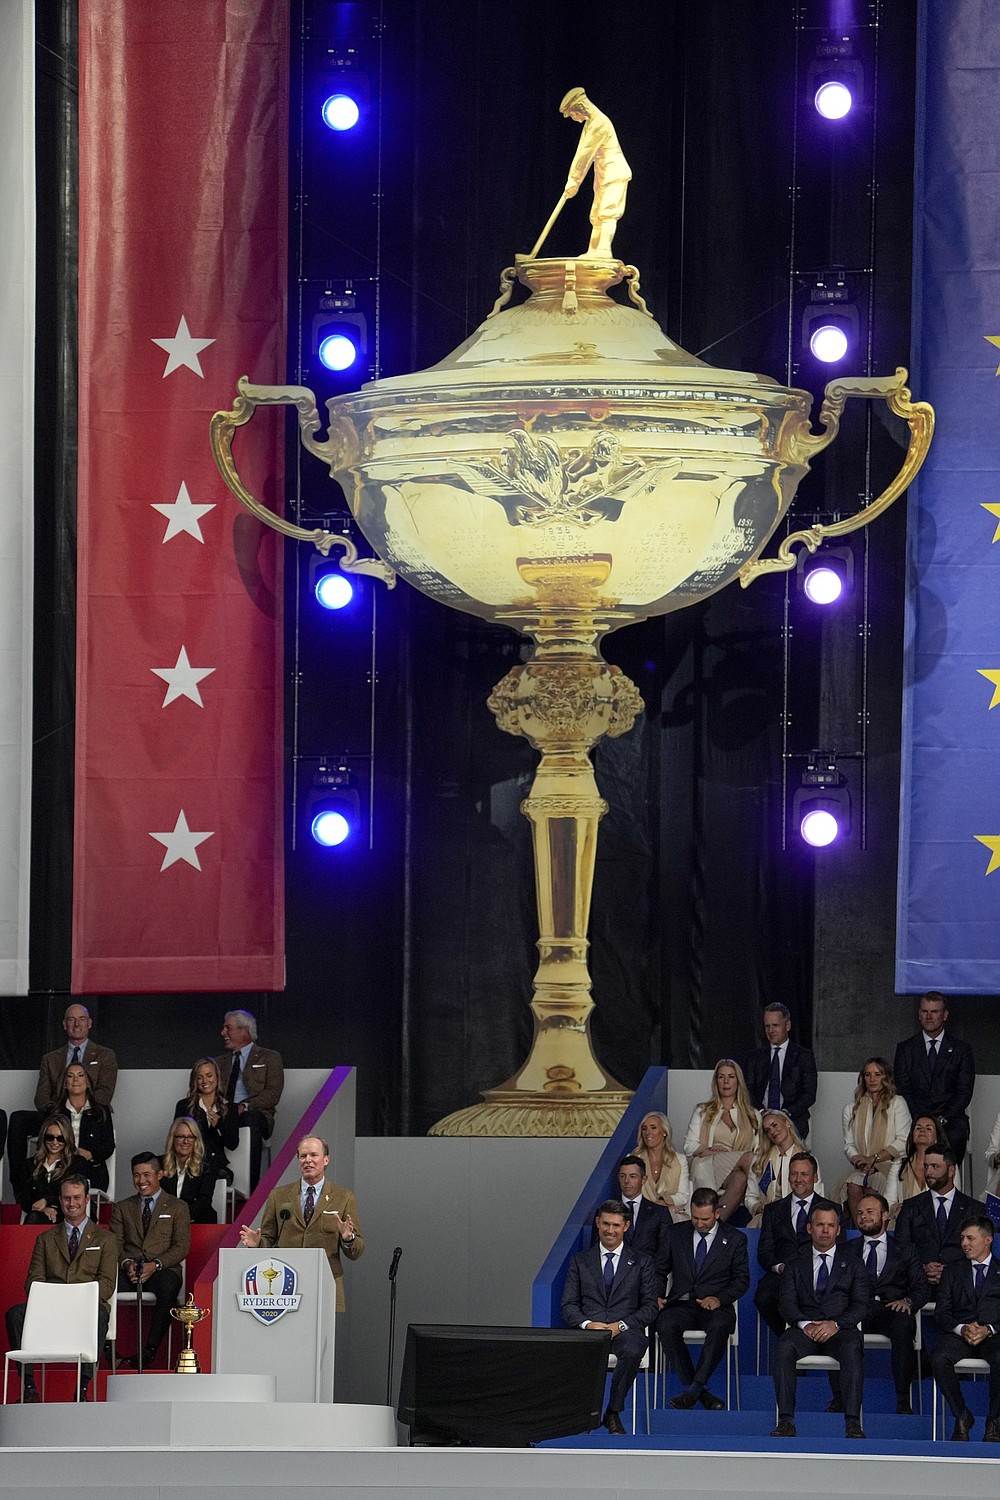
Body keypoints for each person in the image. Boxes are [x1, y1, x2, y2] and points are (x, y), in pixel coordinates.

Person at [4, 1175, 117, 1403]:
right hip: (50, 1308)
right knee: (15, 1314)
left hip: (87, 1309)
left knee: (100, 1314)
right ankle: (28, 1387)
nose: (71, 1203)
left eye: (76, 1197)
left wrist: (76, 1300)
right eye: (66, 1198)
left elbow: (106, 1284)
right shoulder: (45, 1238)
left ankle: (83, 1389)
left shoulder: (106, 1239)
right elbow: (33, 1281)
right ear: (60, 1199)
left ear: (87, 1199)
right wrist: (57, 1300)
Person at [771, 1203, 870, 1440]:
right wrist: (805, 1324)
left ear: (838, 1230)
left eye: (830, 1225)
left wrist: (835, 1324)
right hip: (805, 1329)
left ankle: (852, 1423)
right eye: (819, 1225)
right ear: (809, 1228)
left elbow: (861, 1304)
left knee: (852, 1348)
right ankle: (785, 1421)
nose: (825, 1230)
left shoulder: (854, 1263)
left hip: (840, 1330)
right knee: (784, 1347)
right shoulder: (795, 1263)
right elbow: (785, 1303)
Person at [560, 1198, 658, 1435]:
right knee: (568, 1351)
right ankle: (579, 1417)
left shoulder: (642, 1262)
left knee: (634, 1349)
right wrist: (587, 1324)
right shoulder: (580, 1261)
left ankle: (613, 1412)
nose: (610, 1230)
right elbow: (568, 1305)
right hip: (590, 1332)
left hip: (625, 1330)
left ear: (625, 1226)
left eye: (616, 1225)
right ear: (597, 1223)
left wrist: (621, 1325)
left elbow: (649, 1308)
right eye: (605, 1224)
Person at [239, 1136, 362, 1312]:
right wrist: (258, 1243)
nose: (308, 1160)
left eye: (314, 1155)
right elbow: (268, 1238)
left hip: (324, 1282)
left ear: (326, 1159)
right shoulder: (278, 1196)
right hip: (286, 1285)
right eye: (303, 1156)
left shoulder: (343, 1198)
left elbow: (357, 1250)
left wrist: (348, 1238)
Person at [835, 1190, 930, 1415]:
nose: (863, 1217)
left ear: (885, 1215)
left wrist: (908, 1300)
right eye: (859, 1213)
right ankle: (839, 1398)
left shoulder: (906, 1249)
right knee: (837, 1327)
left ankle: (903, 1399)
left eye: (869, 1212)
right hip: (858, 1310)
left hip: (891, 1309)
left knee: (905, 1324)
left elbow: (922, 1288)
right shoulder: (846, 1250)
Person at [655, 1187, 749, 1411]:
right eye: (695, 1217)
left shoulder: (735, 1239)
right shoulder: (674, 1234)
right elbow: (659, 1270)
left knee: (720, 1325)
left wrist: (719, 1298)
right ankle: (699, 1392)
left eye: (704, 1219)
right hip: (682, 1304)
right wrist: (657, 1294)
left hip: (716, 1306)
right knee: (665, 1324)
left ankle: (693, 1390)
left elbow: (741, 1280)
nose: (699, 1223)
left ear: (717, 1213)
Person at [8, 1003, 118, 1194]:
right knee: (18, 1119)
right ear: (64, 1024)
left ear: (89, 1023)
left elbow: (105, 1092)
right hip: (56, 1113)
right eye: (71, 1019)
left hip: (89, 1113)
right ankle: (19, 1186)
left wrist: (81, 1103)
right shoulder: (50, 1058)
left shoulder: (105, 1055)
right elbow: (41, 1095)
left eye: (81, 1019)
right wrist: (58, 1112)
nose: (76, 1024)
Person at [110, 1151, 191, 1369]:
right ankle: (108, 1350)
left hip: (162, 1269)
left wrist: (154, 1265)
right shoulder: (122, 1207)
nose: (141, 1181)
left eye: (147, 1174)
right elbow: (115, 1246)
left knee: (169, 1284)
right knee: (101, 1280)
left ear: (160, 1174)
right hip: (130, 1269)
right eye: (136, 1175)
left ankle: (150, 1350)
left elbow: (182, 1246)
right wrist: (127, 1264)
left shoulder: (177, 1207)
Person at [931, 1214, 1000, 1441]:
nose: (964, 1244)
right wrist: (962, 1329)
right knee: (939, 1359)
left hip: (993, 1336)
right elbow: (941, 1313)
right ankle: (961, 1415)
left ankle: (994, 1421)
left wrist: (988, 1329)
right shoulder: (953, 1271)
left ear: (987, 1240)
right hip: (959, 1335)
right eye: (962, 1238)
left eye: (970, 1238)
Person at [754, 1152, 837, 1338]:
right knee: (763, 1297)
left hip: (819, 1272)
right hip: (783, 1275)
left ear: (815, 1177)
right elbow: (764, 1252)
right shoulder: (773, 1210)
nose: (798, 1179)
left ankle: (813, 1336)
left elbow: (841, 1249)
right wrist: (780, 1267)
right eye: (793, 1174)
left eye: (804, 1174)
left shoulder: (832, 1208)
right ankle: (789, 1336)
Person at [893, 992, 975, 1163]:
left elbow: (964, 1094)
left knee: (955, 1136)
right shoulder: (905, 1049)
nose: (929, 1016)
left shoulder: (962, 1050)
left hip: (950, 1121)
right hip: (914, 1118)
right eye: (925, 1011)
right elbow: (903, 1090)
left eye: (934, 1012)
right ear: (919, 1014)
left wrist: (939, 1122)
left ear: (944, 1015)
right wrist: (923, 1122)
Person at [894, 1145, 983, 1289]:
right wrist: (922, 1268)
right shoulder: (911, 1207)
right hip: (918, 1285)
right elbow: (900, 1247)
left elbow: (981, 1251)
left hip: (962, 1288)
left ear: (951, 1170)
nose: (928, 1172)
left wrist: (950, 1271)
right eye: (926, 1166)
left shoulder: (974, 1209)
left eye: (935, 1166)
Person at [558, 88, 632, 260]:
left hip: (614, 173)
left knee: (607, 211)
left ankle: (604, 250)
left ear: (580, 107)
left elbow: (585, 155)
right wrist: (573, 181)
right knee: (596, 213)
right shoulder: (590, 125)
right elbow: (581, 154)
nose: (573, 119)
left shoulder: (600, 123)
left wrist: (573, 181)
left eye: (572, 114)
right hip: (603, 174)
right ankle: (593, 251)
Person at [214, 1010, 283, 1192]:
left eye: (228, 1028)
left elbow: (273, 1093)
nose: (222, 1032)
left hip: (255, 1114)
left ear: (244, 1031)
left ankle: (251, 1190)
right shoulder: (218, 1063)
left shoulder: (269, 1057)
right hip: (224, 1112)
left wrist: (245, 1106)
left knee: (248, 1118)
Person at [683, 1060, 759, 1222]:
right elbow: (689, 1146)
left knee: (740, 1178)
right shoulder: (702, 1110)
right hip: (707, 1165)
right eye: (721, 1077)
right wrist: (708, 1150)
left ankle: (715, 1223)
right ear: (715, 1081)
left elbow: (759, 1150)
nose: (726, 1081)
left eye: (731, 1077)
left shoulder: (752, 1115)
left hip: (735, 1172)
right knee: (750, 1158)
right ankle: (755, 1202)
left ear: (738, 1081)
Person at [837, 1057, 910, 1219]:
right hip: (863, 1166)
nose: (872, 1079)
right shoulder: (851, 1109)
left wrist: (875, 1158)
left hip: (891, 1165)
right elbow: (849, 1145)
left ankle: (877, 1229)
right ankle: (861, 1231)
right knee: (852, 1185)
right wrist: (860, 1161)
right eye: (868, 1075)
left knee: (874, 1185)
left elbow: (904, 1141)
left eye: (877, 1074)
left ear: (886, 1077)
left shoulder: (897, 1103)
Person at [743, 1004, 818, 1141]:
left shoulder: (803, 1056)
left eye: (775, 1025)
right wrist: (762, 1113)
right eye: (767, 1026)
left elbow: (809, 1094)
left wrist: (785, 1114)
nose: (770, 1030)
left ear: (787, 1025)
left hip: (794, 1123)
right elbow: (748, 1089)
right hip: (759, 1124)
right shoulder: (754, 1057)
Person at [41, 1062, 115, 1194]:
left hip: (90, 1170)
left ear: (88, 1082)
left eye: (80, 1075)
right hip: (59, 1168)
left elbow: (108, 1146)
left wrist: (90, 1154)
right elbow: (46, 1142)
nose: (76, 1080)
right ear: (64, 1083)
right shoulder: (55, 1111)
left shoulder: (101, 1112)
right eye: (70, 1076)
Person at [174, 1057, 239, 1182]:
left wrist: (219, 1124)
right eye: (199, 1077)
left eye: (209, 1075)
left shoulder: (230, 1107)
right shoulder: (184, 1106)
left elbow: (233, 1144)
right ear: (194, 1081)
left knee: (212, 1175)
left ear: (217, 1077)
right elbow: (176, 1139)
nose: (205, 1081)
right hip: (189, 1163)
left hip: (217, 1166)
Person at [744, 1108, 815, 1221]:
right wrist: (757, 1208)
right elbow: (750, 1196)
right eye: (767, 1130)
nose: (772, 1131)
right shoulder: (760, 1161)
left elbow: (816, 1195)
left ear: (786, 1123)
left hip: (799, 1216)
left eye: (775, 1125)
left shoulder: (809, 1160)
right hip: (767, 1217)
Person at [18, 1114, 90, 1223]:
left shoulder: (77, 1162)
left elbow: (79, 1193)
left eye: (60, 1138)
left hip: (68, 1214)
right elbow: (24, 1198)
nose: (55, 1143)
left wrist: (47, 1201)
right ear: (43, 1137)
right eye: (50, 1137)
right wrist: (44, 1209)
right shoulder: (30, 1164)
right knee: (34, 1217)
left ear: (67, 1139)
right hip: (39, 1214)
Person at [615, 1156, 670, 1291]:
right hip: (615, 1283)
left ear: (643, 1179)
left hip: (649, 1282)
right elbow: (597, 1250)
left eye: (633, 1176)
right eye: (623, 1176)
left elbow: (665, 1255)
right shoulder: (605, 1212)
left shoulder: (660, 1212)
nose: (626, 1181)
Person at [632, 1112, 690, 1221]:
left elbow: (683, 1195)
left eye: (653, 1128)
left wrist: (664, 1202)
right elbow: (630, 1193)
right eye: (644, 1129)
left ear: (664, 1132)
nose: (648, 1132)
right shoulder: (634, 1159)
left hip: (670, 1211)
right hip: (642, 1214)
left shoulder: (679, 1160)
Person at [161, 1117, 217, 1224]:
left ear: (196, 1140)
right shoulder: (160, 1164)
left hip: (197, 1221)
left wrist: (179, 1218)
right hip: (166, 1223)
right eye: (180, 1136)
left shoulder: (207, 1166)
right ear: (172, 1139)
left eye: (190, 1137)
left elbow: (204, 1201)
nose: (185, 1141)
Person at [891, 1113, 950, 1210]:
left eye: (928, 1128)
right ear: (912, 1136)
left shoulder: (948, 1164)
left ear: (937, 1138)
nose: (922, 1130)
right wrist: (900, 1211)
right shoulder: (899, 1165)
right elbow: (889, 1201)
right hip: (905, 1220)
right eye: (918, 1128)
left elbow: (952, 1200)